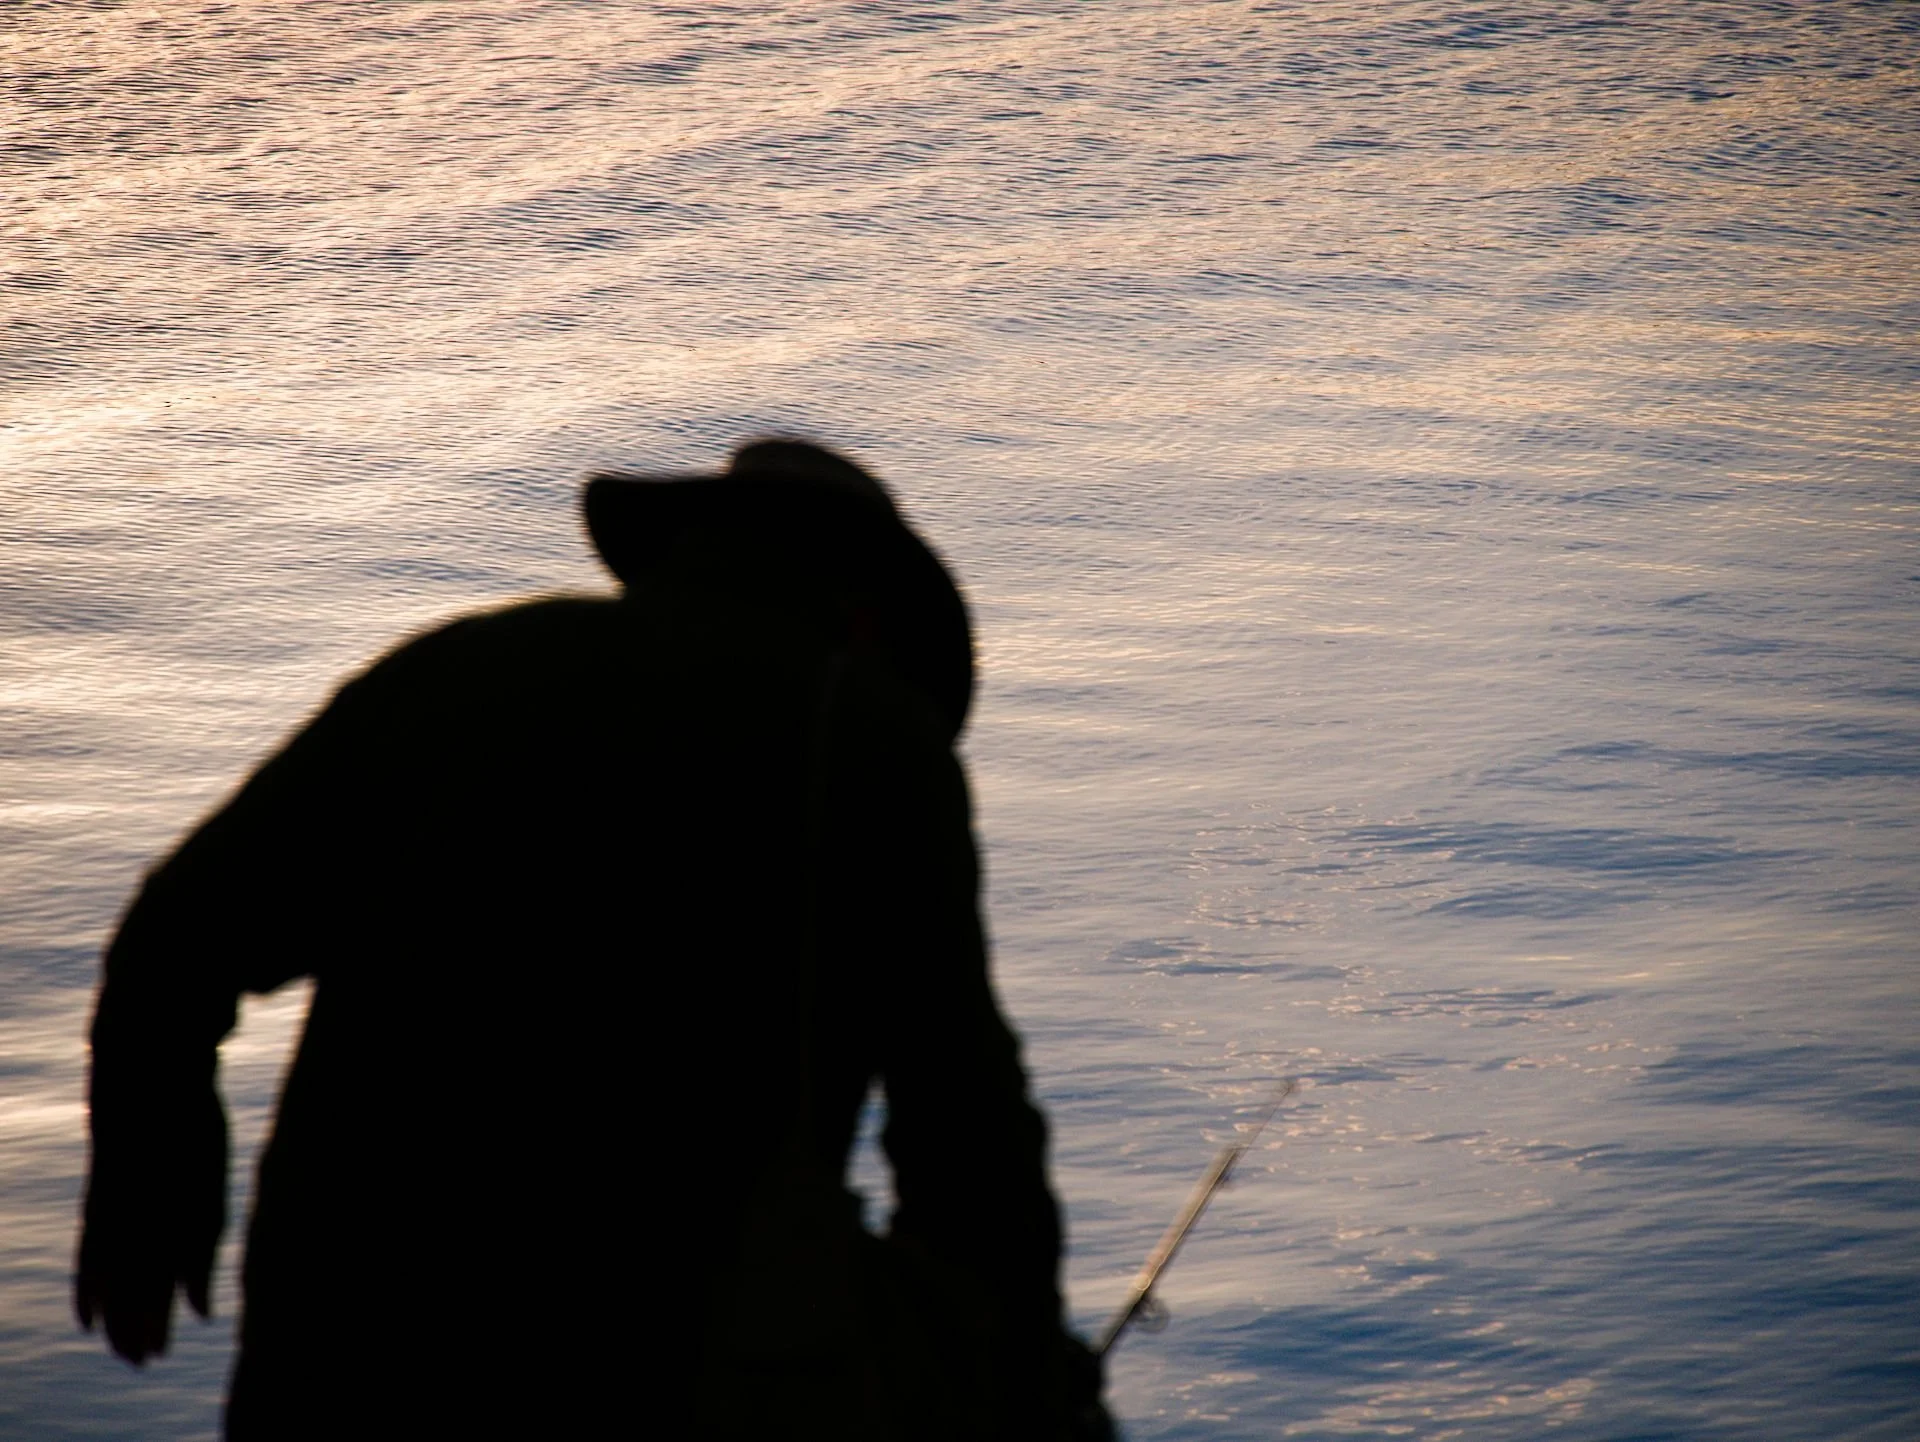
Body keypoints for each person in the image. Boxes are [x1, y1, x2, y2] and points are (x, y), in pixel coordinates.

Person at [75, 438, 1114, 1440]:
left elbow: (173, 936)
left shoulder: (453, 671)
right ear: (870, 612)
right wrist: (1024, 1381)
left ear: (679, 554)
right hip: (660, 1369)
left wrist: (149, 1176)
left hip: (345, 1350)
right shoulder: (878, 744)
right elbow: (967, 1137)